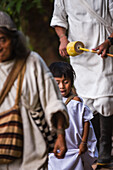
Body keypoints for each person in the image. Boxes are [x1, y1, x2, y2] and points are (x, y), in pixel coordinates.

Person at [0, 11, 69, 170]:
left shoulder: (32, 62)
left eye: (2, 39)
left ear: (14, 40)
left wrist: (60, 134)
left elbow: (53, 101)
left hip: (33, 153)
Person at [50, 0, 113, 167]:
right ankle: (97, 146)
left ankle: (106, 148)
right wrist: (63, 38)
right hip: (80, 56)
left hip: (103, 55)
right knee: (88, 104)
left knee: (106, 100)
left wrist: (109, 41)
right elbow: (58, 20)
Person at [48, 61, 98, 170]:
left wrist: (84, 143)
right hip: (54, 151)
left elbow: (86, 122)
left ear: (72, 82)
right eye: (57, 83)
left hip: (74, 150)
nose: (61, 86)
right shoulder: (47, 102)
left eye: (65, 82)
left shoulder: (76, 101)